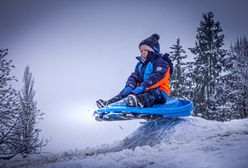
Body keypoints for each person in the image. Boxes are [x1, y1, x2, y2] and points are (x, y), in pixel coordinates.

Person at [96, 34, 173, 108]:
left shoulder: (161, 62)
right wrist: (130, 86)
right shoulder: (140, 65)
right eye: (141, 51)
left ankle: (137, 101)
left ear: (153, 51)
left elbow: (158, 76)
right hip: (143, 91)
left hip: (160, 93)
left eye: (145, 50)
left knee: (152, 93)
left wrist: (143, 87)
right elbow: (134, 77)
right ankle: (108, 103)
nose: (142, 52)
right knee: (126, 92)